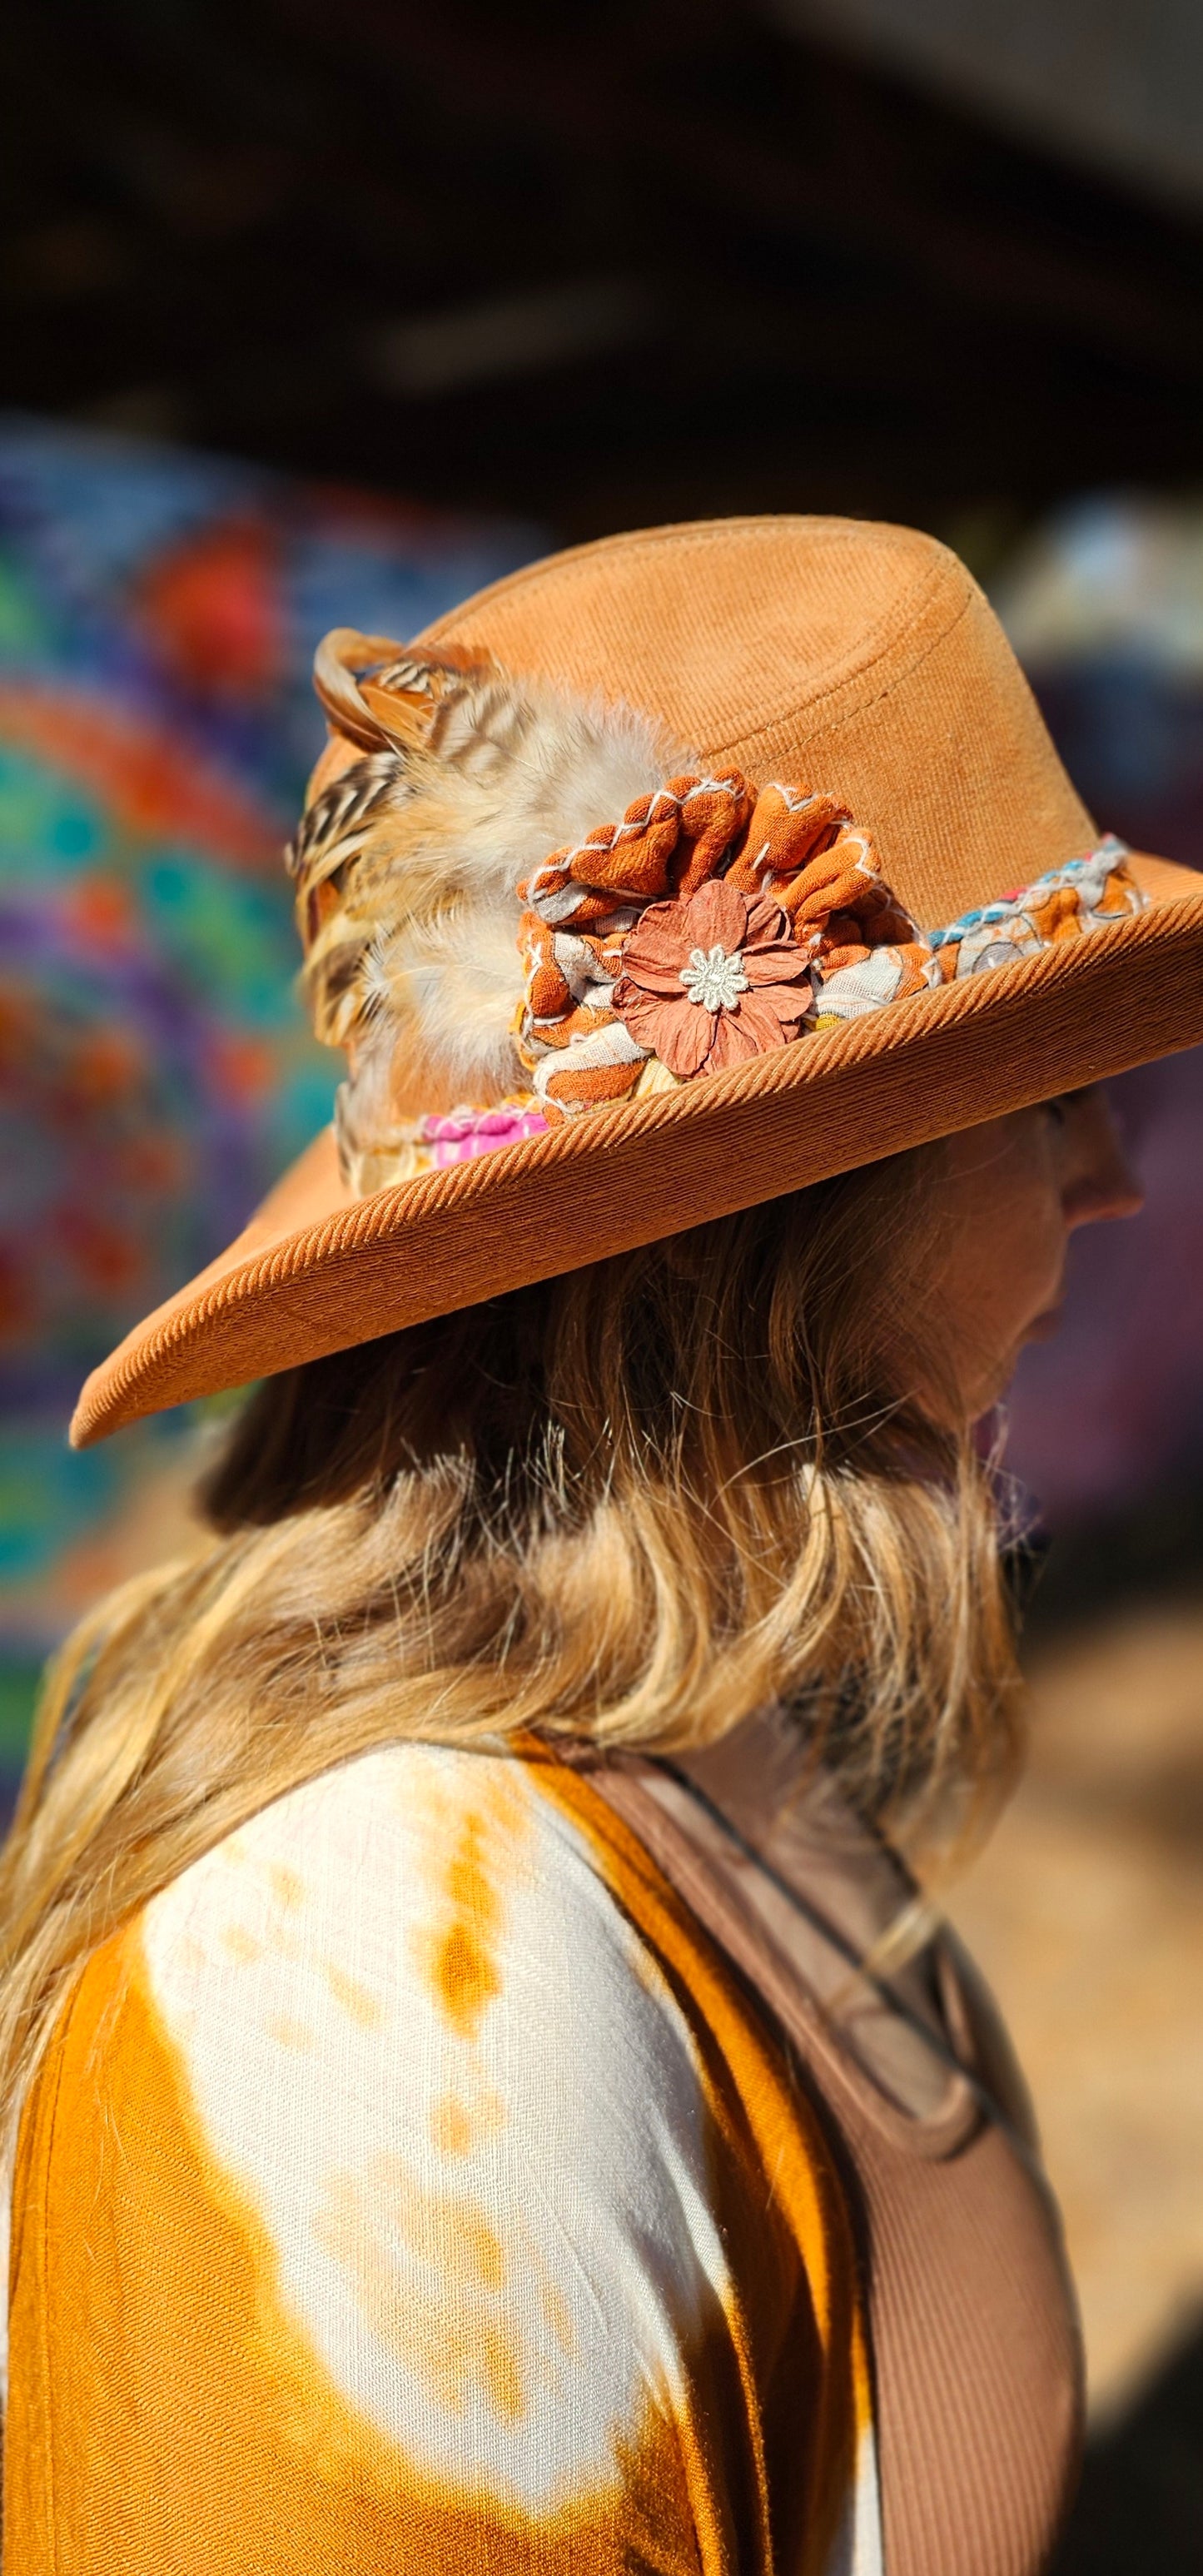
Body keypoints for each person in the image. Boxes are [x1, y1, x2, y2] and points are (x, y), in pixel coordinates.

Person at [2, 517, 1201, 2576]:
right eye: (1029, 1097)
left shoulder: (685, 1750)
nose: (1109, 1176)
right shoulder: (380, 1969)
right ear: (774, 1225)